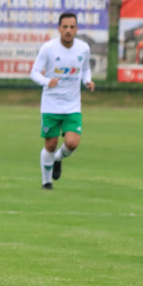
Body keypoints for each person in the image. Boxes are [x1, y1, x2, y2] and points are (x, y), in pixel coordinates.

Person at [29, 11, 95, 190]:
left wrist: (87, 81)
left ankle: (59, 158)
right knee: (50, 145)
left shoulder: (83, 48)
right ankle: (46, 182)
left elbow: (85, 69)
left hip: (72, 105)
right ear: (59, 28)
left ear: (76, 29)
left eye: (72, 27)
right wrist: (46, 81)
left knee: (72, 143)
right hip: (51, 104)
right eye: (65, 27)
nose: (68, 30)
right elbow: (34, 72)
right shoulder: (49, 48)